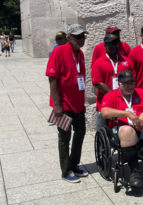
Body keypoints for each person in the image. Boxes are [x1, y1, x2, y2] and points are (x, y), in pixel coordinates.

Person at [45, 24, 89, 183]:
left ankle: (75, 164)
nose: (81, 39)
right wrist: (57, 106)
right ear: (69, 38)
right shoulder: (59, 51)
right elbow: (52, 79)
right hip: (63, 105)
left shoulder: (80, 54)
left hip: (78, 105)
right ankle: (66, 170)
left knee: (81, 133)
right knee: (64, 137)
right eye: (78, 37)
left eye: (83, 36)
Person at [92, 33, 134, 131]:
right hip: (104, 103)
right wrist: (114, 97)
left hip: (125, 103)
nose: (114, 46)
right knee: (102, 131)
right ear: (105, 45)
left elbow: (133, 80)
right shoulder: (98, 63)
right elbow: (98, 83)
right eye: (111, 44)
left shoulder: (127, 61)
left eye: (116, 43)